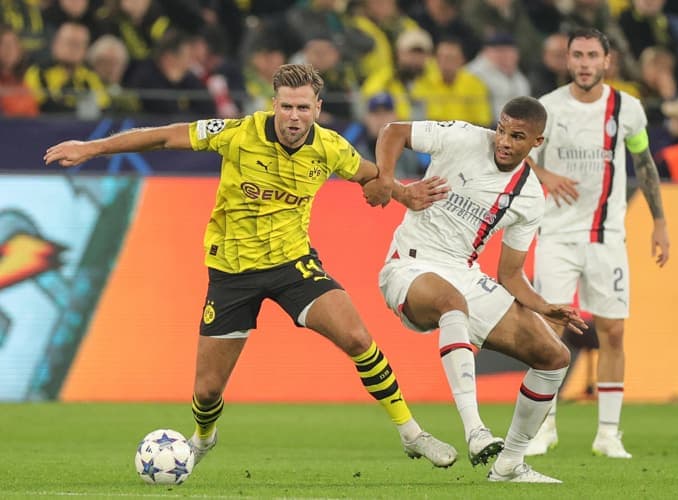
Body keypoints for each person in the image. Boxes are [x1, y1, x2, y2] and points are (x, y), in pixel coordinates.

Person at [44, 63, 457, 470]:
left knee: (356, 337)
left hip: (293, 264)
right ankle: (204, 437)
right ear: (273, 104)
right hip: (231, 273)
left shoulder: (330, 147)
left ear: (318, 107)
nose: (294, 117)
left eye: (303, 109)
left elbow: (369, 175)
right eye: (286, 107)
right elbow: (164, 138)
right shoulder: (236, 133)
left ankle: (411, 433)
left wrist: (400, 192)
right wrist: (91, 147)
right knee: (206, 392)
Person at [376, 96, 588, 483]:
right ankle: (475, 431)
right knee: (450, 302)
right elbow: (393, 132)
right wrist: (391, 184)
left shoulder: (529, 197)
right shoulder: (462, 137)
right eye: (502, 129)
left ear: (536, 143)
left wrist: (543, 306)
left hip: (464, 273)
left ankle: (510, 464)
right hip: (409, 263)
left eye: (517, 136)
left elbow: (510, 275)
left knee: (553, 355)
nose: (504, 141)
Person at [525, 28, 670, 459]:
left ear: (607, 61)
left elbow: (643, 162)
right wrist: (545, 174)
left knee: (614, 330)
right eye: (577, 55)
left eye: (592, 55)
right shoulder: (547, 109)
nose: (584, 63)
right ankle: (543, 428)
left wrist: (660, 222)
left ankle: (608, 433)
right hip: (556, 235)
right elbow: (515, 154)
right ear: (567, 60)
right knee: (549, 330)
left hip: (607, 236)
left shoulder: (628, 109)